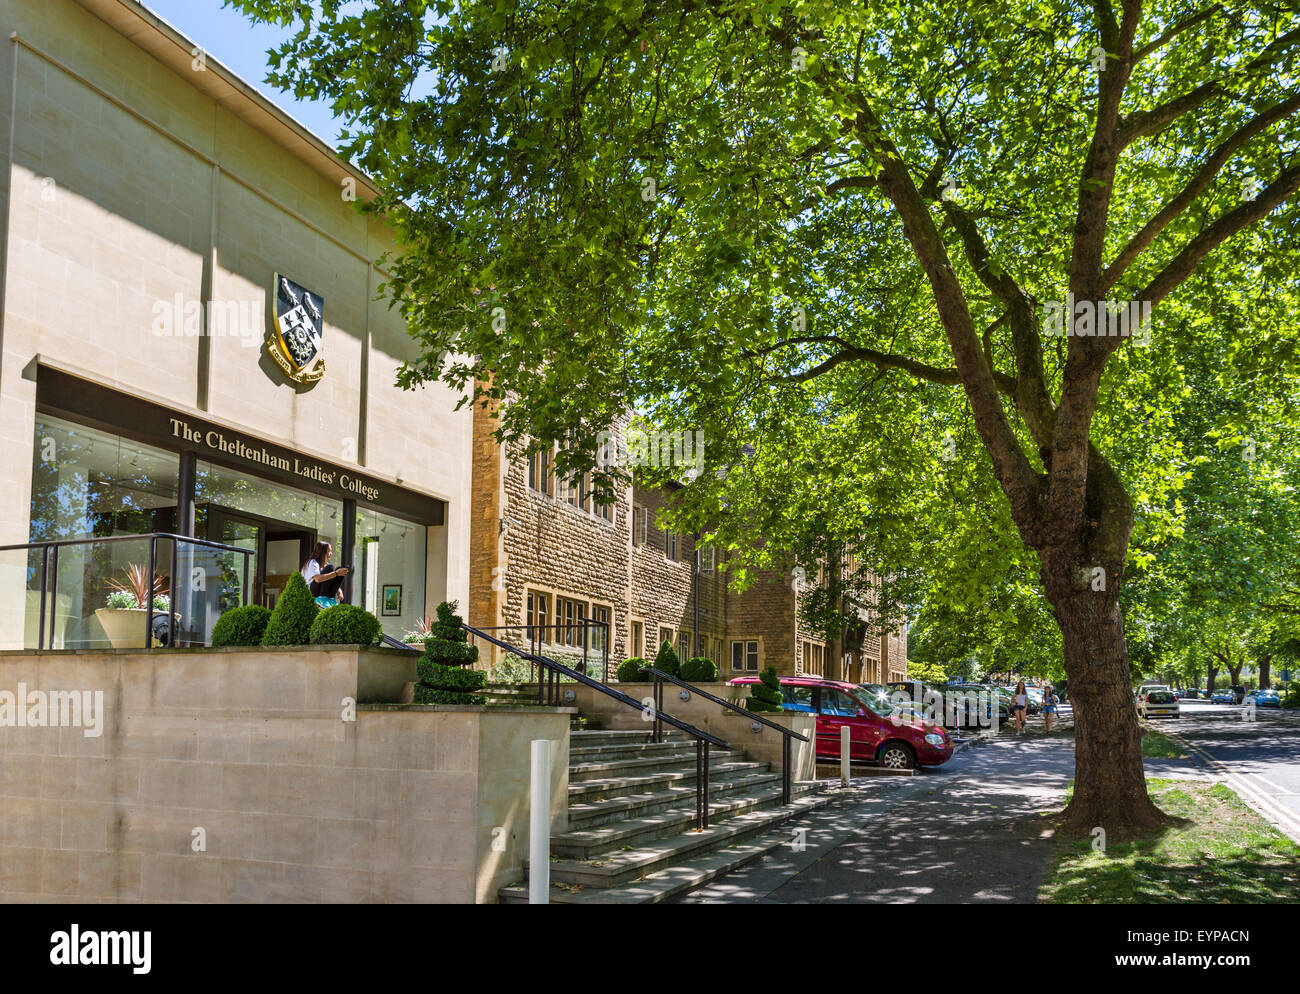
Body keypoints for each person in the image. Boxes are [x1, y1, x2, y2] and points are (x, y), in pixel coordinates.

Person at [301, 541, 349, 610]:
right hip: (311, 592)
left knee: (338, 569)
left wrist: (339, 591)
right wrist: (336, 573)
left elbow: (332, 578)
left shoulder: (326, 565)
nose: (331, 554)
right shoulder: (313, 562)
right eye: (329, 551)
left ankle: (330, 599)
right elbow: (317, 579)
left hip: (320, 591)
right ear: (322, 553)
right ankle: (322, 599)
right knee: (331, 569)